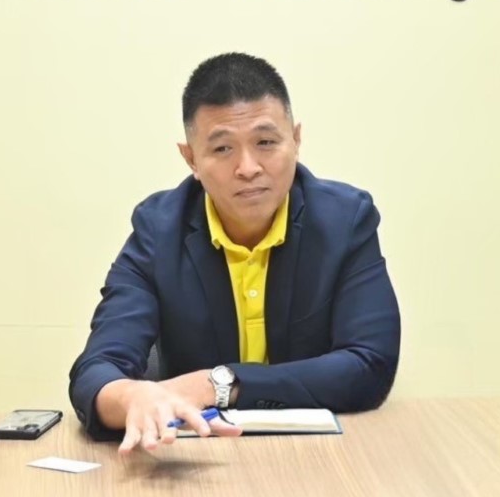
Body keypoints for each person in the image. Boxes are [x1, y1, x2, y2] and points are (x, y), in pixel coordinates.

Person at [68, 53, 401, 454]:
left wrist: (217, 383)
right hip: (198, 456)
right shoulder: (158, 230)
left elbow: (370, 365)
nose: (248, 167)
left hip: (319, 457)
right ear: (191, 159)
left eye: (266, 142)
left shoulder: (345, 221)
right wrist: (130, 396)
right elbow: (96, 371)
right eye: (223, 148)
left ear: (296, 140)